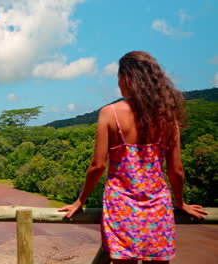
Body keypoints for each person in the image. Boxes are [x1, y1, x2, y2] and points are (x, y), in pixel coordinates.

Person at [58, 51, 208, 264]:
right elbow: (176, 170)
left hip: (121, 208)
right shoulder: (167, 117)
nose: (118, 84)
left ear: (127, 78)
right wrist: (180, 202)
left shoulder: (110, 113)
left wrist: (80, 200)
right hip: (157, 208)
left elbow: (97, 166)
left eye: (119, 78)